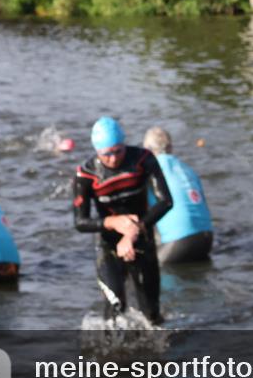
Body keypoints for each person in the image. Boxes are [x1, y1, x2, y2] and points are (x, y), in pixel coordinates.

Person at [73, 117, 173, 324]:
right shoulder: (87, 174)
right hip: (108, 244)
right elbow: (80, 222)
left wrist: (134, 230)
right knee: (115, 308)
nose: (113, 159)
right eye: (106, 154)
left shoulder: (143, 159)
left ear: (124, 144)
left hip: (142, 237)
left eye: (118, 151)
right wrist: (114, 223)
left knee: (151, 314)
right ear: (97, 151)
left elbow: (166, 202)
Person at [142, 127, 213, 264]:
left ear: (147, 150)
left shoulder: (151, 170)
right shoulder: (188, 169)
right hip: (206, 239)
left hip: (178, 243)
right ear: (171, 147)